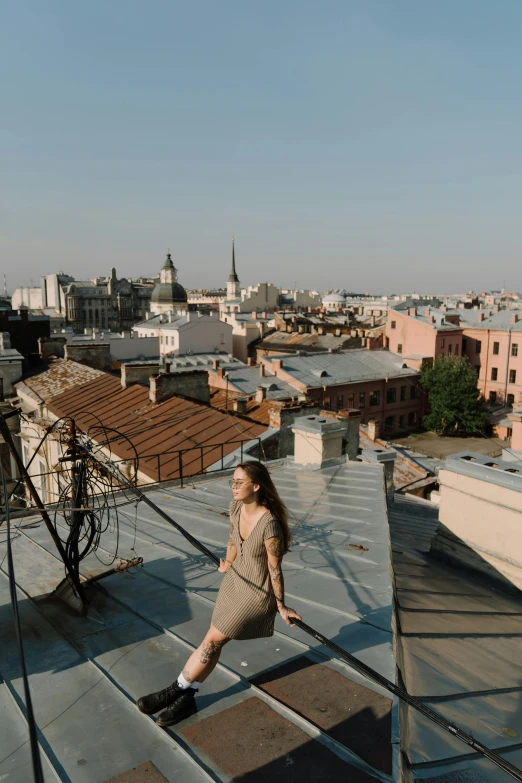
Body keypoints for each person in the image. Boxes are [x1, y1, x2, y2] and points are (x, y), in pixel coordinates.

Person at [137, 461, 302, 727]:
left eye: (240, 482)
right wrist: (227, 561)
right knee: (212, 643)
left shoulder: (270, 526)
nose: (234, 487)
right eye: (233, 481)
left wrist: (281, 605)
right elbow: (232, 538)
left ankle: (173, 691)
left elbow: (275, 571)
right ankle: (186, 698)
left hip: (255, 594)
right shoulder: (236, 507)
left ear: (256, 486)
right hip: (234, 583)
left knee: (212, 641)